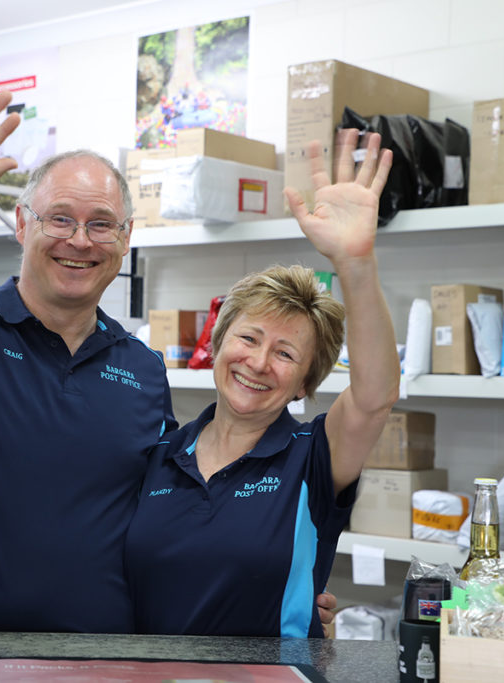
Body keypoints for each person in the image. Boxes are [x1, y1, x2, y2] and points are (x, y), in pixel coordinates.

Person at [0, 81, 337, 633]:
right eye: (59, 218)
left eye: (101, 223)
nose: (79, 240)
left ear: (125, 239)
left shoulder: (144, 371)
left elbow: (174, 517)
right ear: (23, 224)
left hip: (107, 663)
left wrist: (268, 582)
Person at [124, 129, 399, 637]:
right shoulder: (160, 454)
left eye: (286, 353)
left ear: (303, 384)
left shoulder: (313, 457)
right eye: (248, 337)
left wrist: (355, 264)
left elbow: (374, 397)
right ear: (220, 341)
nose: (258, 362)